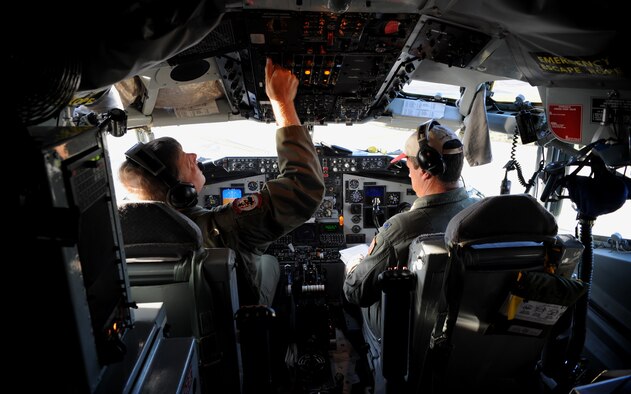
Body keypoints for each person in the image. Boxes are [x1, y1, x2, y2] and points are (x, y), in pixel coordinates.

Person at [119, 58, 325, 306]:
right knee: (270, 262)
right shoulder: (226, 228)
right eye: (186, 159)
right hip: (241, 314)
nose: (194, 156)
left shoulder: (120, 235)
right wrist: (282, 102)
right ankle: (276, 330)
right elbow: (303, 186)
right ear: (180, 193)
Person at [343, 120, 479, 338]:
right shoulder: (479, 210)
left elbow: (357, 293)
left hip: (410, 332)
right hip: (465, 326)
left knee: (354, 280)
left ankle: (359, 345)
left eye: (409, 168)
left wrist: (354, 264)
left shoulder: (402, 228)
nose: (408, 175)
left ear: (425, 172)